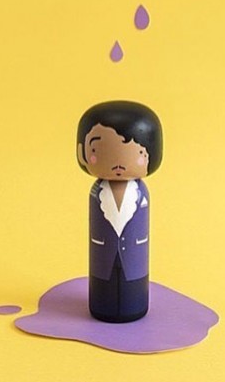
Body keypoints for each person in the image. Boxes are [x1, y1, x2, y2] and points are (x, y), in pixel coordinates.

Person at [77, 100, 163, 323]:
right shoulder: (97, 192)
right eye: (97, 151)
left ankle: (134, 307)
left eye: (138, 152)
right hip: (102, 256)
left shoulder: (141, 193)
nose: (118, 165)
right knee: (102, 292)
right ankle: (103, 307)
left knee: (133, 292)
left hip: (135, 257)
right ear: (82, 152)